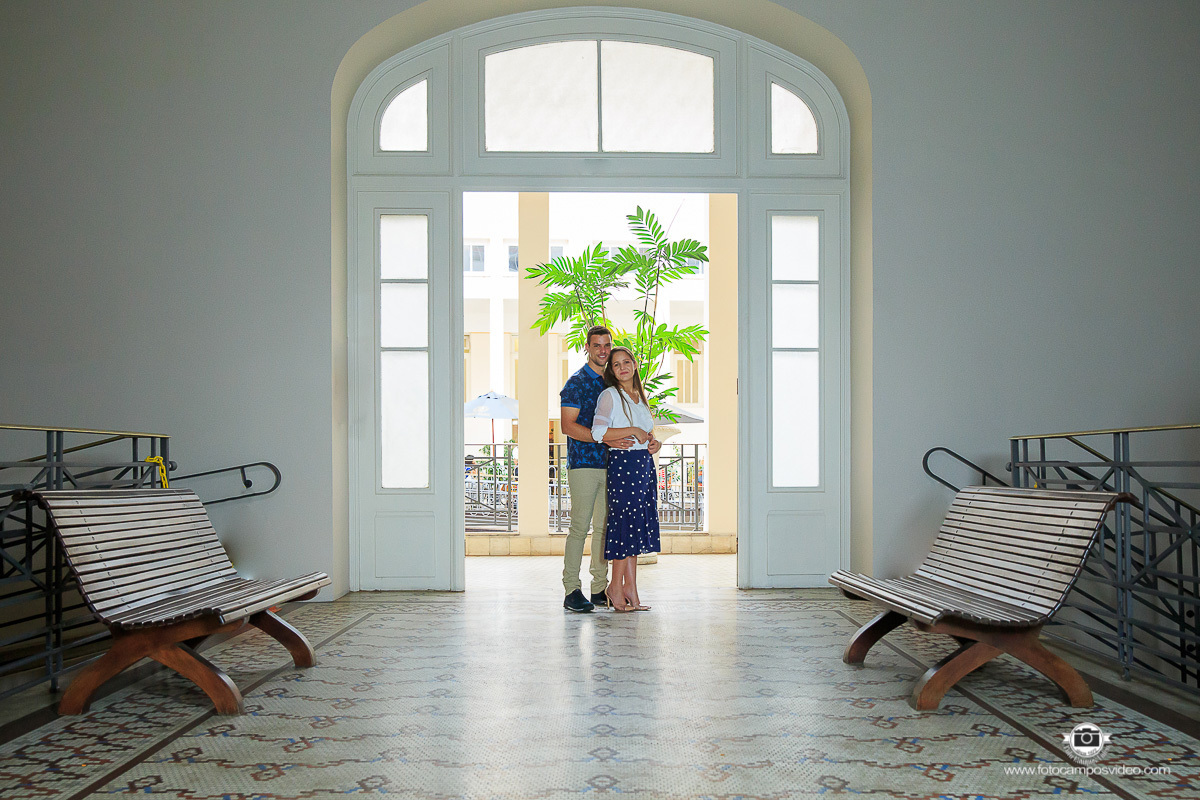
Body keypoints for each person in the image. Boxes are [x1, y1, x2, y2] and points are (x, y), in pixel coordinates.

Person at [559, 326, 658, 612]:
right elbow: (567, 426)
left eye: (606, 345)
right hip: (584, 463)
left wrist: (648, 441)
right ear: (587, 348)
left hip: (615, 466)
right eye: (597, 345)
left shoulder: (616, 382)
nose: (602, 350)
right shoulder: (576, 383)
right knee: (580, 527)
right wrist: (607, 438)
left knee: (605, 529)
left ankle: (599, 588)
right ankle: (571, 589)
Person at [590, 346, 661, 612]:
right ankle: (615, 588)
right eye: (616, 364)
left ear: (634, 364)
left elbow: (647, 434)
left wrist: (655, 443)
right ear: (611, 370)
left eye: (626, 362)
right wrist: (632, 430)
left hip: (643, 465)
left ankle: (630, 588)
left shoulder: (639, 396)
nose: (622, 367)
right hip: (624, 466)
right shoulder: (610, 395)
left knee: (635, 527)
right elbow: (598, 432)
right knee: (624, 526)